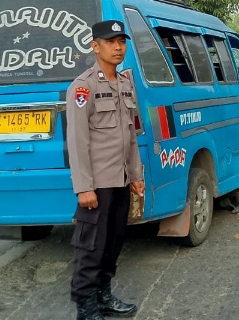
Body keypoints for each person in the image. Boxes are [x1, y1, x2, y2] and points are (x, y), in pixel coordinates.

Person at [66, 20, 146, 320]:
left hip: (121, 180)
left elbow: (132, 135)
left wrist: (136, 176)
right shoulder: (83, 87)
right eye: (110, 41)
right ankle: (86, 308)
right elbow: (77, 142)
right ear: (94, 46)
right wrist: (83, 187)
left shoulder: (125, 84)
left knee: (113, 243)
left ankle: (103, 295)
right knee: (91, 248)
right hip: (97, 184)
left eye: (121, 41)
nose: (117, 47)